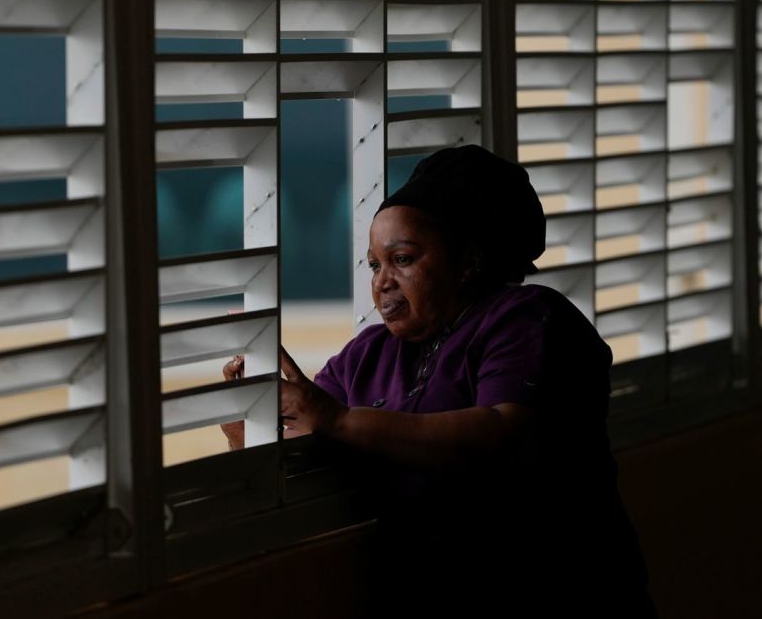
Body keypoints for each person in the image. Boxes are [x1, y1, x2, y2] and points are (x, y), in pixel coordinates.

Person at [221, 145, 658, 617]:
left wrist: (337, 420)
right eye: (374, 264)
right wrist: (255, 432)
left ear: (469, 262)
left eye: (402, 259)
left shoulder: (529, 319)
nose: (382, 282)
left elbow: (500, 436)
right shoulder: (367, 354)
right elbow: (318, 444)